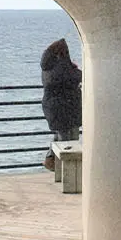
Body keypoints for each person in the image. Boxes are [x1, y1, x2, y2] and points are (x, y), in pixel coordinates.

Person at [40, 38, 81, 171]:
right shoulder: (61, 67)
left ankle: (51, 160)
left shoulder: (48, 67)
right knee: (68, 141)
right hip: (64, 108)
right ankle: (67, 170)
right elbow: (76, 76)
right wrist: (74, 68)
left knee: (60, 135)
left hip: (55, 107)